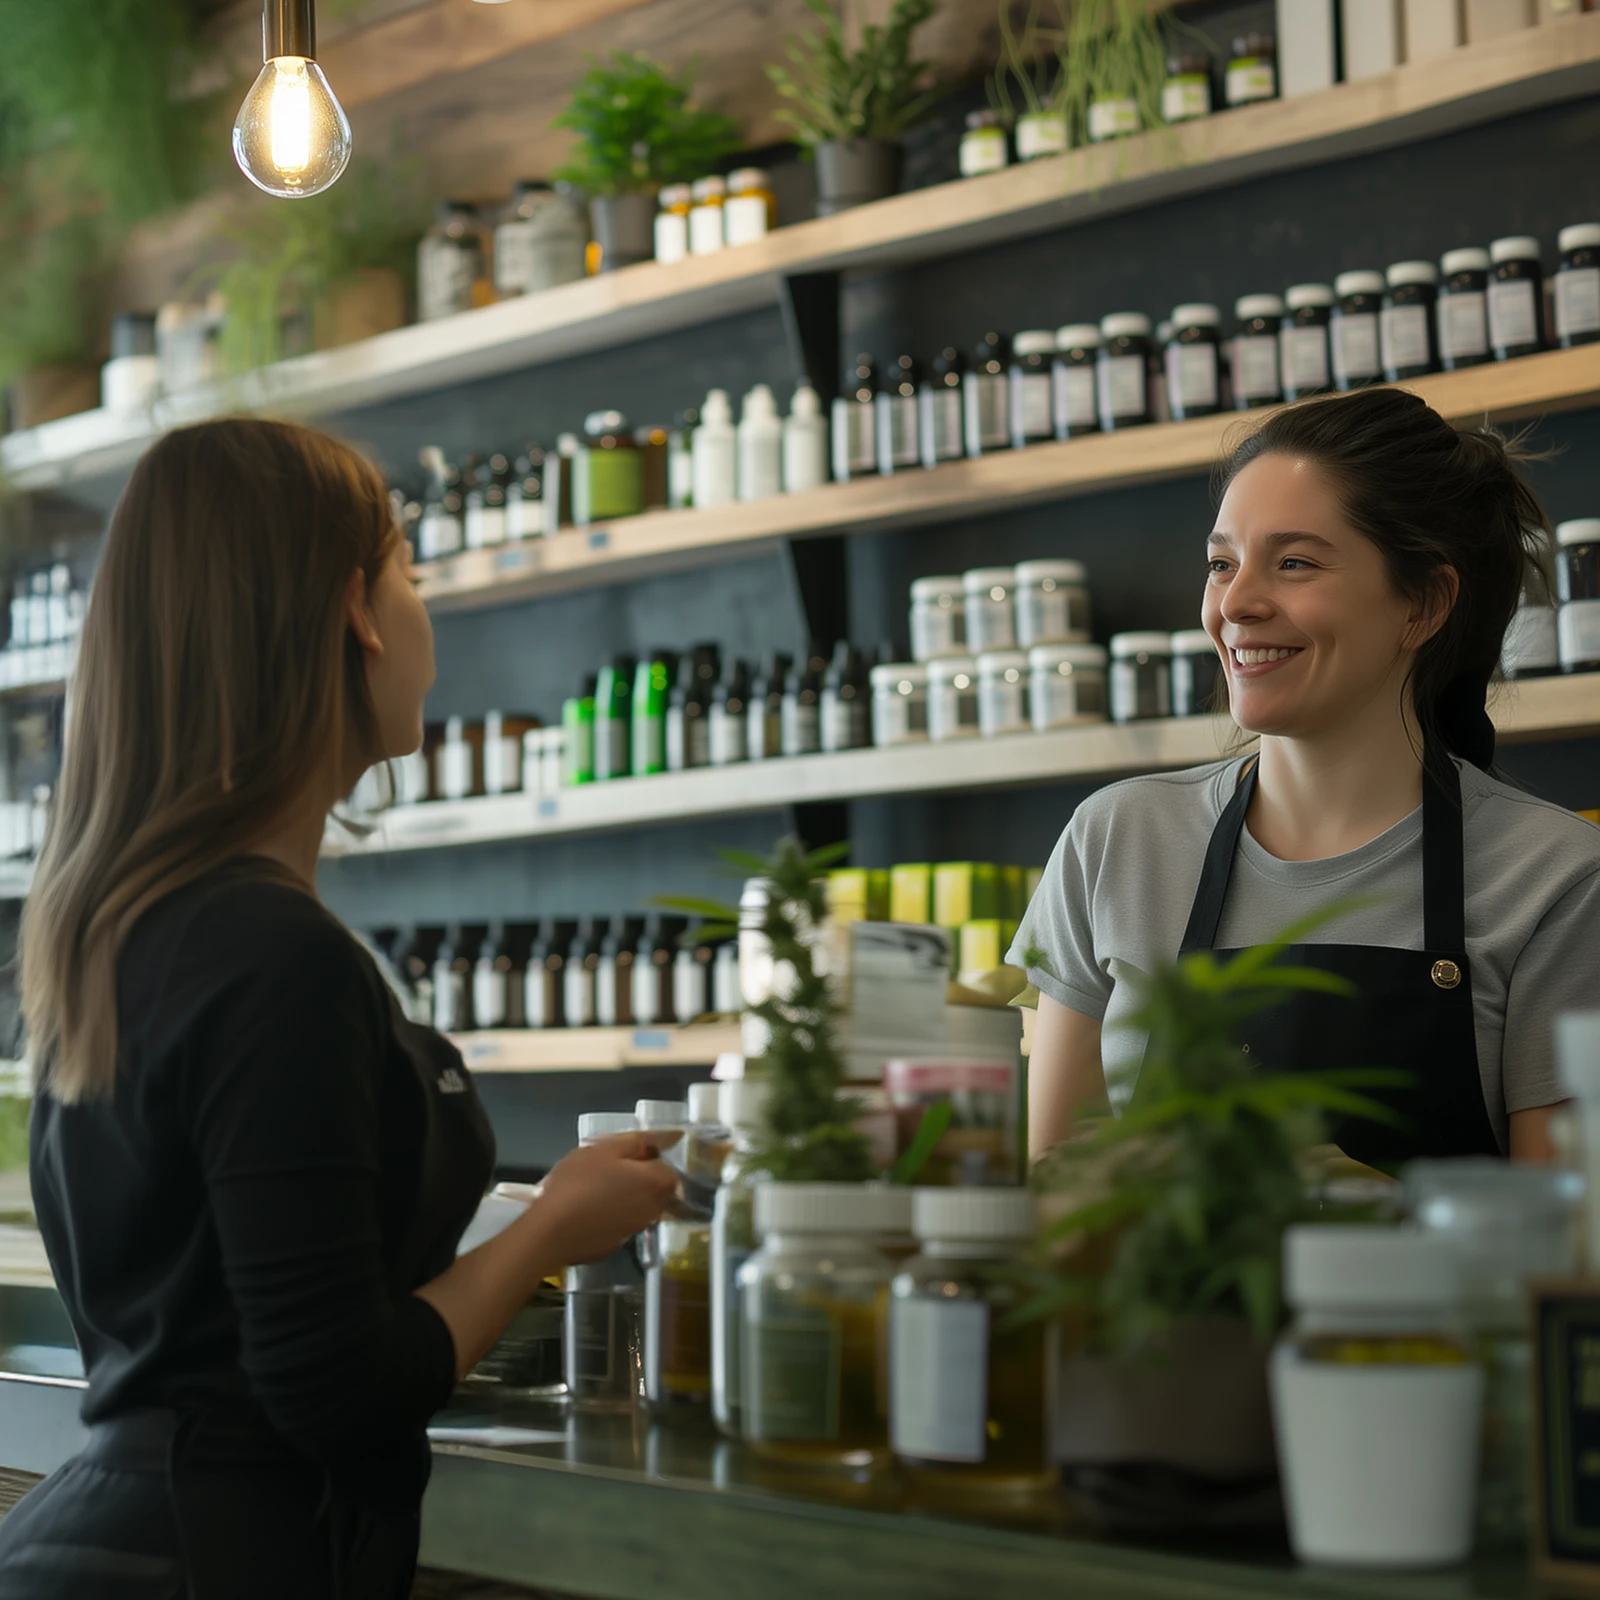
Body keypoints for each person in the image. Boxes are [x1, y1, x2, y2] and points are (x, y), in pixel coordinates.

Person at [0, 419, 678, 1598]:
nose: (426, 612)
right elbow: (333, 1385)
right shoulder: (273, 956)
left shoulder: (121, 930)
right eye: (410, 567)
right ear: (355, 610)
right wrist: (549, 1231)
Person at [1014, 387, 1600, 1168]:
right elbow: (1059, 1209)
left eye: (1293, 563)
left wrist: (1362, 1217)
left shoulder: (1555, 879)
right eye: (1221, 564)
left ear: (1424, 603)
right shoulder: (1117, 841)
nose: (1237, 603)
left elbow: (1564, 1259)